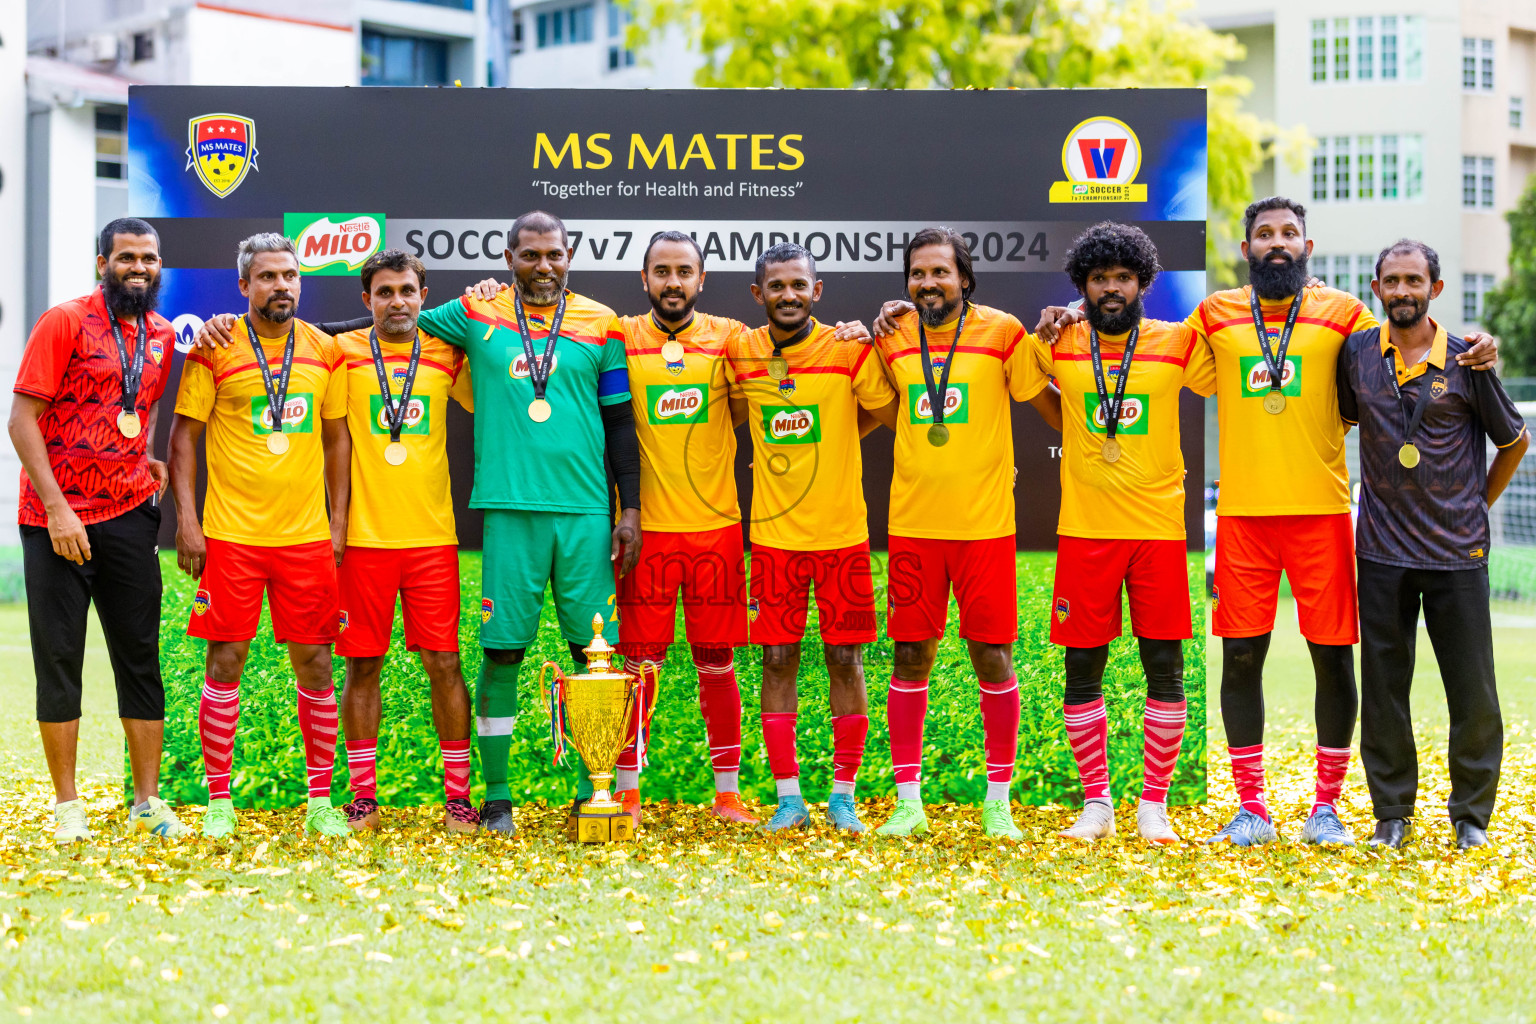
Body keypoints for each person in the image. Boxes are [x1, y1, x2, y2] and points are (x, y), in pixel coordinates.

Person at [1042, 196, 1497, 846]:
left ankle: (1326, 807)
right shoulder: (1212, 315)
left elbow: (1406, 339)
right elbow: (1144, 359)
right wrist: (1066, 319)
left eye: (1289, 233)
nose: (1277, 242)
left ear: (1306, 249)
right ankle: (1251, 807)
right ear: (1247, 247)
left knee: (1333, 660)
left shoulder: (1345, 313)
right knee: (1242, 660)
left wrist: (1473, 344)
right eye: (1264, 233)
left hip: (1322, 514)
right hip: (1244, 518)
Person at [412, 211, 641, 836]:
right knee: (504, 652)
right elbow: (398, 319)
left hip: (586, 513)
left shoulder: (603, 324)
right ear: (508, 257)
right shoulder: (475, 312)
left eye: (555, 255)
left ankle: (594, 790)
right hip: (511, 512)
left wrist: (631, 510)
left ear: (571, 255)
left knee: (591, 658)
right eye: (531, 255)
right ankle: (498, 795)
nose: (544, 266)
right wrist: (471, 293)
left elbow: (620, 425)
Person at [861, 227, 1060, 840]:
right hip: (915, 527)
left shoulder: (1002, 333)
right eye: (917, 274)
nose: (928, 283)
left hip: (986, 528)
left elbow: (1047, 397)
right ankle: (908, 803)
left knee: (992, 658)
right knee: (910, 656)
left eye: (940, 273)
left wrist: (1087, 445)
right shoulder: (891, 337)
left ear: (964, 279)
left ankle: (998, 802)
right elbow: (881, 411)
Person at [1338, 239, 1529, 851]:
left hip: (1457, 554)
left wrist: (1475, 505)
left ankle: (1470, 816)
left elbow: (1515, 442)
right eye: (1390, 281)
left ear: (1434, 289)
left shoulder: (1469, 359)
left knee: (1472, 690)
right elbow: (1343, 419)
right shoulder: (1359, 354)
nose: (1401, 291)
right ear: (1377, 290)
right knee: (1385, 688)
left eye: (1413, 280)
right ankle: (1391, 813)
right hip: (1382, 552)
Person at [9, 217, 189, 842]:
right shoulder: (63, 321)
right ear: (101, 263)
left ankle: (146, 800)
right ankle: (67, 806)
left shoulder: (164, 334)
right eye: (126, 258)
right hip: (56, 521)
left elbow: (146, 401)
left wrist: (145, 455)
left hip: (130, 515)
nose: (138, 268)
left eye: (149, 258)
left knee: (139, 657)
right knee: (60, 660)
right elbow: (22, 421)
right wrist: (58, 509)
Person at [169, 233, 352, 838]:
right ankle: (220, 801)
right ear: (244, 285)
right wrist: (189, 524)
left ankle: (321, 802)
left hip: (304, 539)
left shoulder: (326, 351)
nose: (282, 286)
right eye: (268, 277)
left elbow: (337, 441)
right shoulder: (213, 347)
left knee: (317, 666)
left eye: (290, 276)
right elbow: (183, 438)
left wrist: (339, 523)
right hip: (231, 536)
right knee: (226, 661)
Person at [1034, 222, 1213, 843]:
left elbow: (1244, 363)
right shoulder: (1057, 340)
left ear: (1143, 283)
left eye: (1122, 277)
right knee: (1082, 669)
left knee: (1164, 668)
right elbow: (1028, 385)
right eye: (1098, 278)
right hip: (1085, 532)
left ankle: (1153, 806)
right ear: (1083, 284)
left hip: (1159, 532)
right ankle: (1097, 806)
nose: (1111, 288)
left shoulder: (1177, 343)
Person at [726, 242, 898, 832]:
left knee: (845, 659)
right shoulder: (741, 351)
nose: (789, 295)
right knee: (777, 661)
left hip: (842, 537)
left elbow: (894, 414)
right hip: (773, 540)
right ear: (758, 294)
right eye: (776, 286)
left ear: (817, 291)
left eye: (799, 284)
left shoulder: (848, 349)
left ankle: (843, 795)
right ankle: (789, 796)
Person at [326, 250, 478, 833]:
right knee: (362, 666)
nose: (397, 302)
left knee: (444, 662)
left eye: (407, 291)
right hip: (363, 541)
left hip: (432, 538)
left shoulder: (448, 354)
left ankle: (459, 797)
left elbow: (501, 383)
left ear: (423, 295)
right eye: (384, 292)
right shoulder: (341, 353)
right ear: (367, 300)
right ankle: (363, 797)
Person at [612, 231, 756, 824]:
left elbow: (782, 374)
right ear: (643, 280)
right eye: (661, 271)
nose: (673, 282)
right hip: (644, 532)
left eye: (685, 271)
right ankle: (623, 791)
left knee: (717, 663)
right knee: (634, 666)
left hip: (714, 529)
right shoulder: (619, 335)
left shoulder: (732, 339)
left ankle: (727, 795)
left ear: (703, 278)